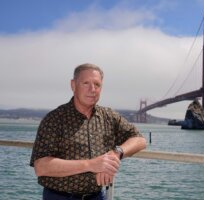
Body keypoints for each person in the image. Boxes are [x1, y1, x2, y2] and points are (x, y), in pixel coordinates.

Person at [30, 63, 147, 200]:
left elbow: (140, 140)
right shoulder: (55, 119)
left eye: (97, 85)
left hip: (96, 196)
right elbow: (41, 167)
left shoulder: (108, 116)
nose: (92, 89)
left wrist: (115, 154)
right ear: (73, 85)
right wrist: (91, 164)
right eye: (86, 83)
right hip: (60, 197)